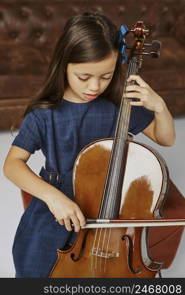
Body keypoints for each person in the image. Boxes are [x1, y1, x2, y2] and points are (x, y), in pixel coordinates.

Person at [3, 12, 175, 278]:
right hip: (56, 205)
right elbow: (12, 165)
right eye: (84, 77)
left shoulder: (118, 106)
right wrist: (52, 197)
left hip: (110, 204)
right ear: (64, 66)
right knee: (34, 268)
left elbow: (166, 138)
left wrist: (160, 107)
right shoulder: (44, 114)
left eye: (106, 76)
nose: (95, 86)